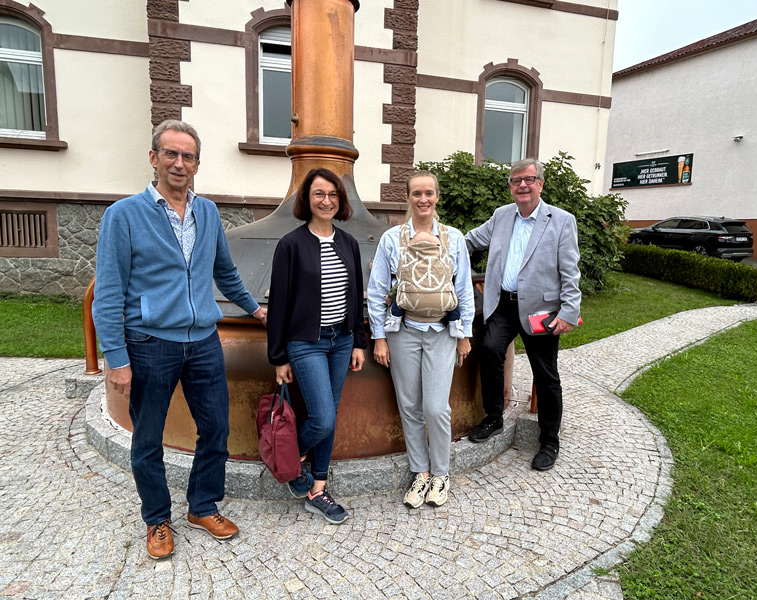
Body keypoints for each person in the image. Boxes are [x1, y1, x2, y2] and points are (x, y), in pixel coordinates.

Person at [92, 120, 268, 560]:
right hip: (150, 343)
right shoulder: (123, 215)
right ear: (154, 158)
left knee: (216, 428)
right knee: (148, 437)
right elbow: (108, 293)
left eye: (188, 156)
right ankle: (157, 518)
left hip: (204, 341)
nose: (179, 163)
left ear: (197, 165)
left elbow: (225, 271)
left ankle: (202, 506)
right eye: (170, 154)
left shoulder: (206, 212)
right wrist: (116, 358)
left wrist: (254, 309)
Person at [465, 158, 581, 472]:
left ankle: (550, 441)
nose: (523, 185)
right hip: (504, 304)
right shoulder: (501, 215)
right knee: (489, 350)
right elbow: (470, 241)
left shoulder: (561, 220)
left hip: (540, 310)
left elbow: (570, 271)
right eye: (516, 180)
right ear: (510, 187)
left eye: (529, 179)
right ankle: (494, 417)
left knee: (545, 374)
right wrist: (435, 246)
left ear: (540, 184)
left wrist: (569, 311)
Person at [368, 171, 474, 508]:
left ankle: (441, 473)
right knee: (410, 406)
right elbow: (376, 291)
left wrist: (464, 335)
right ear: (408, 197)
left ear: (437, 196)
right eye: (416, 193)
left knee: (435, 407)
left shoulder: (454, 238)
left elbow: (463, 289)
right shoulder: (392, 239)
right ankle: (421, 472)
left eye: (429, 193)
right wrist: (379, 337)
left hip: (442, 332)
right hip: (403, 333)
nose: (423, 199)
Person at [267, 168, 366, 524]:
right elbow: (279, 304)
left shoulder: (348, 243)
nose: (327, 201)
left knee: (330, 415)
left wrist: (358, 341)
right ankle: (287, 455)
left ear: (341, 200)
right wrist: (278, 357)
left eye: (333, 195)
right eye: (319, 194)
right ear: (306, 199)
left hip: (341, 341)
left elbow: (356, 296)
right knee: (322, 419)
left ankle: (317, 489)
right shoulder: (291, 245)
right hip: (305, 342)